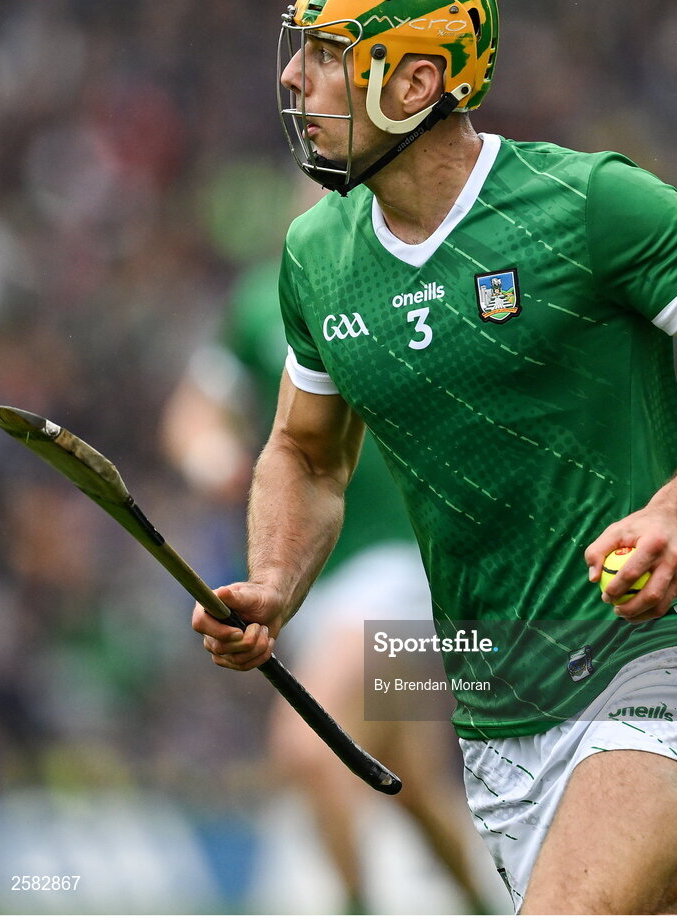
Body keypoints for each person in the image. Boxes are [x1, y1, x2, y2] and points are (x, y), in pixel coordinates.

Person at [192, 0, 677, 914]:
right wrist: (277, 585)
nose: (292, 77)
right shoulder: (316, 258)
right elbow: (305, 451)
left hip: (658, 660)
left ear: (415, 82)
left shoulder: (589, 204)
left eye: (326, 55)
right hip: (500, 709)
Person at [163, 260, 494, 914]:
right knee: (416, 793)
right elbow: (195, 411)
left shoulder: (425, 279)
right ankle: (487, 908)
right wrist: (213, 459)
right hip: (314, 579)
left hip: (397, 564)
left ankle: (353, 906)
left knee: (304, 750)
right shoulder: (264, 299)